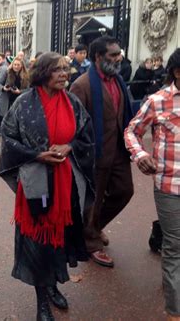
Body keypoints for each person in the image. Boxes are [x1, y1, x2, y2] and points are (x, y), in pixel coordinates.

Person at [0, 52, 95, 321]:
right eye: (57, 70)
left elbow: (85, 134)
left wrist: (70, 146)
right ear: (43, 73)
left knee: (59, 239)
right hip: (36, 183)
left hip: (66, 185)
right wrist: (36, 155)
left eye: (66, 69)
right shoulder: (23, 104)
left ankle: (52, 286)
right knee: (38, 243)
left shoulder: (73, 103)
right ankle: (42, 301)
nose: (64, 74)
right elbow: (8, 138)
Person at [124, 48, 180, 321]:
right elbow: (132, 131)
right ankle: (174, 311)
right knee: (176, 246)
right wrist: (141, 154)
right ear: (177, 73)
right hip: (170, 185)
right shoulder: (157, 101)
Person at [70, 36, 134, 268]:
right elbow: (74, 125)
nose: (119, 58)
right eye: (113, 55)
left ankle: (94, 227)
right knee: (93, 201)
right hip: (94, 155)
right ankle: (91, 242)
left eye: (119, 53)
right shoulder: (82, 85)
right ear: (98, 57)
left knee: (124, 191)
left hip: (118, 151)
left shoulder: (118, 81)